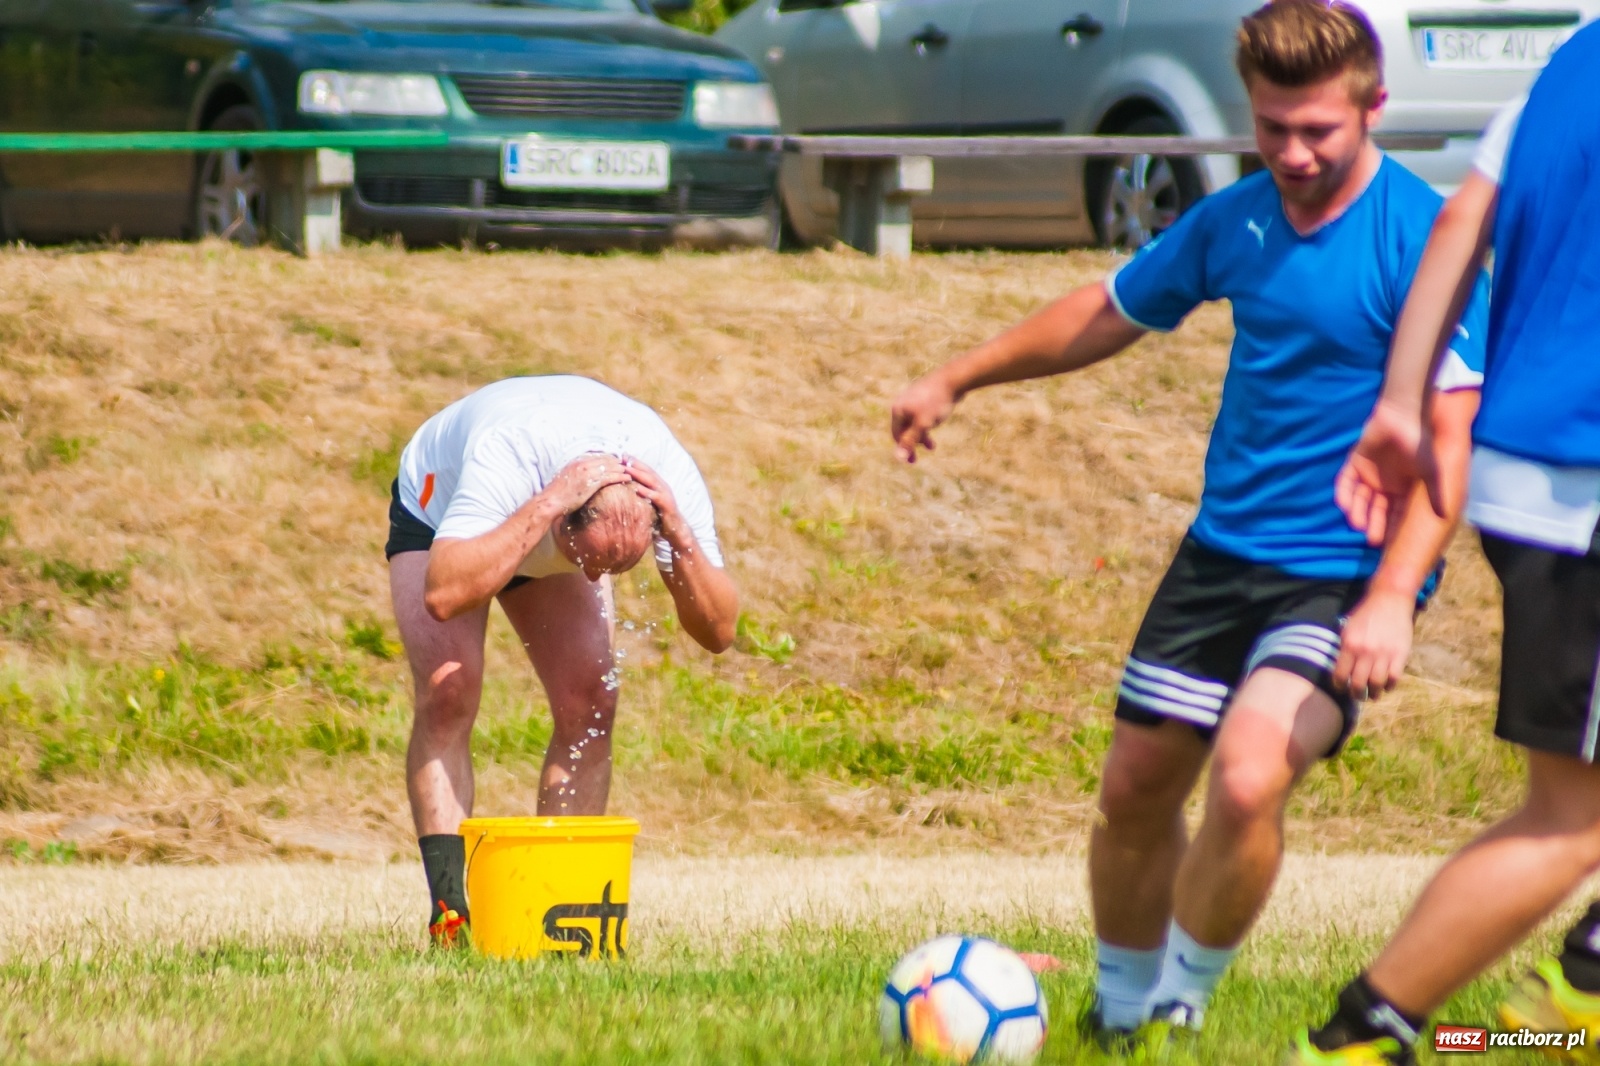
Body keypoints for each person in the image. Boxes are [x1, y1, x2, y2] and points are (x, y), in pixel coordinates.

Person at [889, 0, 1488, 1048]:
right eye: (1271, 129)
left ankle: (1181, 1000)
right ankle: (1119, 1017)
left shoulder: (1421, 238)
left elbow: (1452, 440)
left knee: (1252, 771)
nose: (1293, 154)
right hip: (1222, 555)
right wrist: (957, 375)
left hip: (1345, 571)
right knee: (1133, 789)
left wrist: (1395, 595)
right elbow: (1108, 307)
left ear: (1374, 110)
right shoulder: (1238, 219)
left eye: (1319, 131)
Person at [1291, 24, 1600, 1066]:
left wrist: (1398, 402)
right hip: (1580, 483)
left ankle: (1578, 987)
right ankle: (1356, 1037)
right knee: (1570, 821)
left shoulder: (1576, 58)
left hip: (1537, 471)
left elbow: (1461, 220)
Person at [386, 375, 738, 946]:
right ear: (562, 521)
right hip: (445, 513)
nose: (595, 579)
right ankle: (450, 917)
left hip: (555, 508)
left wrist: (680, 535)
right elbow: (444, 594)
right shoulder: (508, 456)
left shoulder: (665, 470)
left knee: (591, 699)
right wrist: (546, 502)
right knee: (449, 691)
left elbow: (719, 631)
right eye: (589, 562)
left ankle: (557, 916)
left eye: (614, 569)